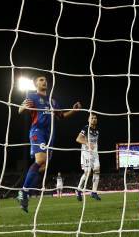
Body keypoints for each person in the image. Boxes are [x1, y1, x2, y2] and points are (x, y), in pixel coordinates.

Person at [17, 74, 82, 212]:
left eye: (45, 80)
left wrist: (74, 111)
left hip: (50, 136)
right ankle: (23, 191)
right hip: (37, 131)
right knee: (41, 159)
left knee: (43, 166)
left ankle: (26, 194)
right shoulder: (33, 97)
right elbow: (20, 110)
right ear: (36, 84)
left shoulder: (53, 101)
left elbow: (62, 116)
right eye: (41, 80)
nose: (44, 82)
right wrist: (23, 108)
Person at [76, 112, 101, 201]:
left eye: (95, 118)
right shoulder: (86, 128)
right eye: (92, 118)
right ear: (88, 120)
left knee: (97, 170)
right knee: (87, 173)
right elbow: (78, 139)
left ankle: (94, 192)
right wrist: (87, 143)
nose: (94, 119)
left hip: (94, 153)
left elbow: (95, 142)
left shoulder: (97, 130)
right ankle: (78, 190)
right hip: (86, 153)